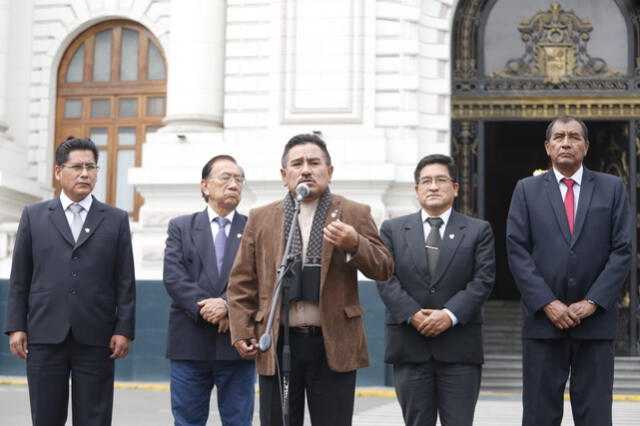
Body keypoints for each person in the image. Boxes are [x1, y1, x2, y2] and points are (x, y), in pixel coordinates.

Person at [227, 134, 394, 426]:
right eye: (297, 163)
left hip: (333, 342)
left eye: (314, 162)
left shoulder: (354, 212)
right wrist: (241, 330)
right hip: (278, 342)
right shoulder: (261, 217)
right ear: (284, 175)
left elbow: (384, 268)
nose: (306, 169)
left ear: (329, 172)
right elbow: (242, 281)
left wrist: (356, 244)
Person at [506, 115, 631, 426]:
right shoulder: (526, 190)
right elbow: (517, 251)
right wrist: (549, 303)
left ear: (585, 147)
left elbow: (623, 250)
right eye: (559, 137)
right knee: (539, 415)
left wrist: (592, 302)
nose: (566, 142)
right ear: (548, 147)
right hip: (543, 324)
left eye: (574, 137)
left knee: (595, 415)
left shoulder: (612, 188)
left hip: (596, 323)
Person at [4, 137, 136, 426]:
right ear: (58, 171)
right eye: (76, 166)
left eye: (91, 166)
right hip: (44, 334)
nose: (85, 173)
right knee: (46, 417)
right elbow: (20, 278)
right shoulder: (34, 216)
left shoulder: (115, 219)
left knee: (95, 418)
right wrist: (16, 326)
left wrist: (124, 328)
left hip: (97, 336)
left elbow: (125, 280)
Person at [376, 154, 495, 426]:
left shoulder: (478, 230)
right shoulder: (392, 229)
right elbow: (385, 278)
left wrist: (449, 315)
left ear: (455, 188)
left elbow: (483, 280)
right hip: (410, 345)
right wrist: (413, 314)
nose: (433, 186)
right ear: (416, 190)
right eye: (425, 181)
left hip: (460, 349)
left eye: (441, 180)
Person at [163, 155, 255, 426]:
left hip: (237, 345)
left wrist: (227, 304)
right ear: (205, 186)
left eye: (239, 179)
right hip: (189, 345)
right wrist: (209, 308)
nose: (233, 184)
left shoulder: (253, 228)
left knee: (239, 421)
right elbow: (174, 278)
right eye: (225, 177)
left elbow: (260, 278)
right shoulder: (181, 226)